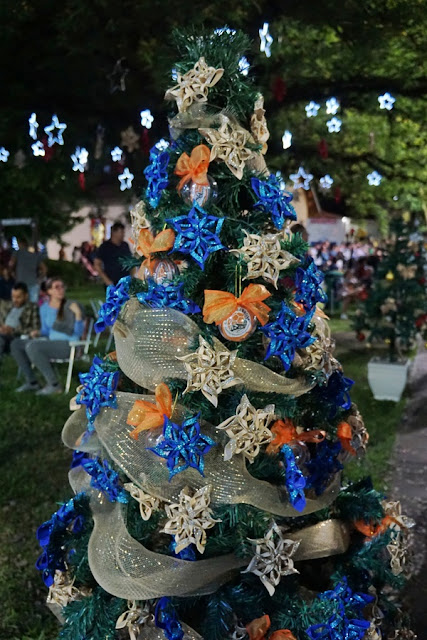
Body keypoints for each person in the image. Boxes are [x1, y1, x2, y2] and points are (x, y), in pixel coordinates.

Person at [10, 277, 84, 394]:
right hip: (50, 342)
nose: (60, 290)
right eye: (56, 287)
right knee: (16, 344)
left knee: (33, 346)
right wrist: (38, 332)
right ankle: (32, 382)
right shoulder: (44, 308)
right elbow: (46, 330)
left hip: (69, 345)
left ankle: (54, 384)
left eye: (62, 286)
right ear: (49, 291)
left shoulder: (71, 306)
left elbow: (78, 333)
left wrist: (78, 314)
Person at [0, 282, 40, 360]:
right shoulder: (9, 306)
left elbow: (35, 329)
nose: (15, 300)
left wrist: (12, 330)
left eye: (18, 297)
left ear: (26, 296)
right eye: (13, 297)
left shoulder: (32, 308)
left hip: (16, 338)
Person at [9, 237, 47, 303]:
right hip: (33, 283)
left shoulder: (17, 253)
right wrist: (39, 279)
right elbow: (44, 269)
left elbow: (11, 264)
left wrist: (12, 274)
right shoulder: (34, 255)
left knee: (20, 304)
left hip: (20, 282)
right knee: (33, 305)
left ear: (20, 244)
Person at [94, 222, 132, 286]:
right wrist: (106, 280)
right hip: (112, 282)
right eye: (121, 232)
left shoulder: (125, 245)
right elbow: (97, 264)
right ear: (114, 232)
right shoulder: (105, 246)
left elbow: (130, 261)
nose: (123, 234)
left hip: (125, 282)